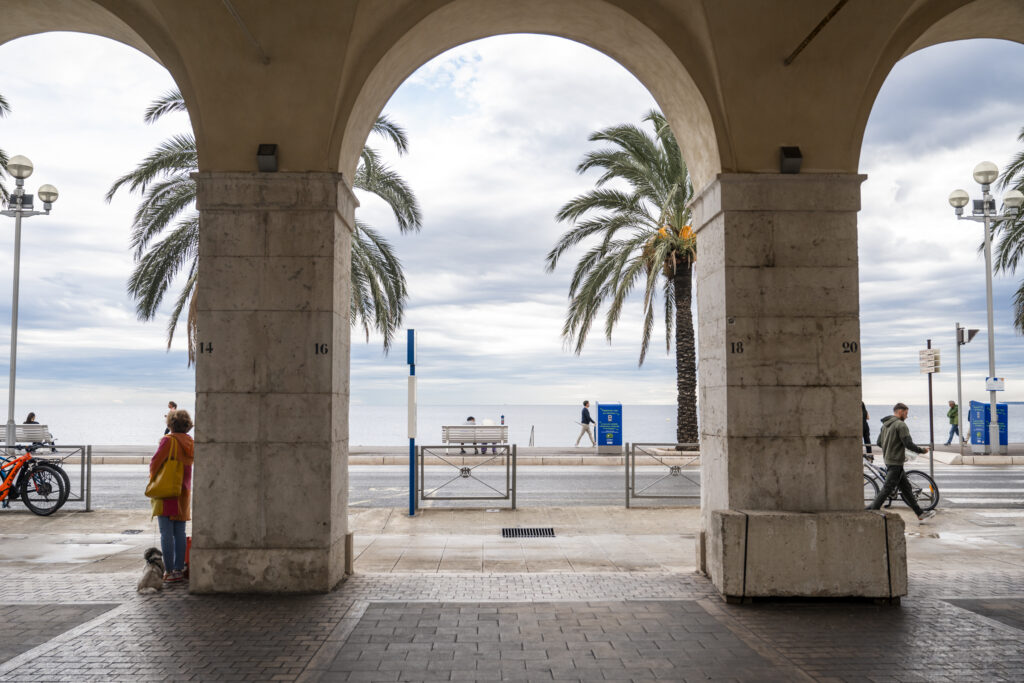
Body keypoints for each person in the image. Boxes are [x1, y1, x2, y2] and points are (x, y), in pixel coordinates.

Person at [148, 409, 195, 582]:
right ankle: (178, 569)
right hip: (183, 491)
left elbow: (155, 463)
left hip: (168, 491)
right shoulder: (190, 442)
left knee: (166, 532)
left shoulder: (168, 441)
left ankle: (169, 571)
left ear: (170, 424)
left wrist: (154, 480)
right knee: (180, 532)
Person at [868, 403, 935, 522]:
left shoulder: (885, 425)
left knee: (906, 489)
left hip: (889, 459)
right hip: (896, 462)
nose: (907, 416)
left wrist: (890, 447)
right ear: (900, 411)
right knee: (887, 488)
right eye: (906, 413)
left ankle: (920, 513)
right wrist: (922, 450)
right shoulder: (901, 425)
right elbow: (908, 443)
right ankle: (873, 511)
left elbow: (879, 442)